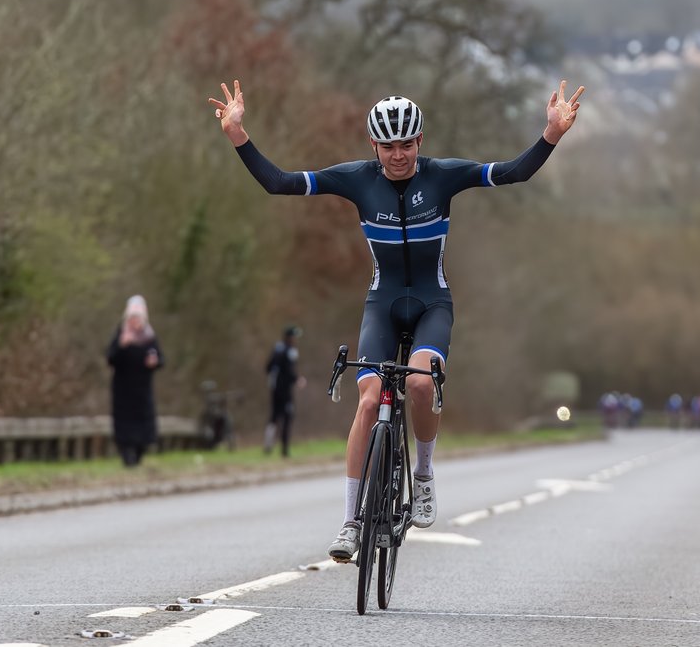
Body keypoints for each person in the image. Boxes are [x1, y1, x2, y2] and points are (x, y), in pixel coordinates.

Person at [210, 78, 584, 562]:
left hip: (432, 303)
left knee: (424, 386)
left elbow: (513, 173)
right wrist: (238, 134)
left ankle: (423, 476)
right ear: (374, 146)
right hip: (382, 304)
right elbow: (279, 183)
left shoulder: (443, 176)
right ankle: (349, 522)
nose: (398, 155)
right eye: (388, 146)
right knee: (368, 401)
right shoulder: (356, 179)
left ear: (420, 142)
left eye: (406, 144)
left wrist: (551, 132)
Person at [106, 295, 164, 468]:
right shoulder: (121, 335)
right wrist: (122, 345)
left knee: (144, 426)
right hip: (123, 390)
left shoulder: (150, 338)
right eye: (132, 318)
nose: (134, 321)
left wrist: (154, 363)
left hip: (142, 390)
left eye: (138, 318)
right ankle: (127, 457)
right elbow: (110, 358)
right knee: (124, 426)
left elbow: (161, 358)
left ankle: (139, 454)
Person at [264, 325, 306, 457]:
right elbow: (289, 370)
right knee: (287, 416)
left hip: (274, 388)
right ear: (289, 337)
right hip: (284, 390)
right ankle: (284, 449)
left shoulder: (277, 348)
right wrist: (297, 379)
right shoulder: (290, 351)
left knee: (274, 416)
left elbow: (268, 367)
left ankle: (268, 445)